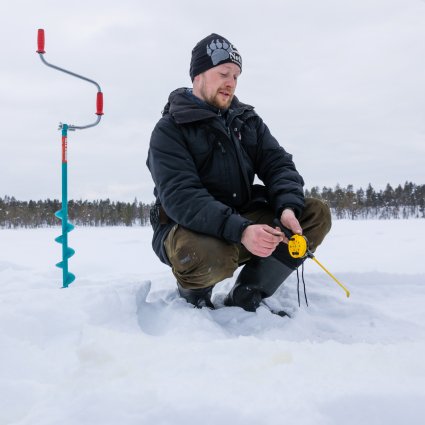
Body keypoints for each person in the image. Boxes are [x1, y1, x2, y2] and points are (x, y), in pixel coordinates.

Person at [146, 33, 332, 312]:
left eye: (235, 75)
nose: (230, 82)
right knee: (206, 254)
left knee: (313, 214)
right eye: (223, 73)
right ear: (198, 76)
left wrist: (287, 208)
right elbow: (182, 197)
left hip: (242, 217)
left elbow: (277, 164)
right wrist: (241, 230)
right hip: (188, 229)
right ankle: (194, 293)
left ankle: (250, 290)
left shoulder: (246, 120)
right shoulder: (169, 130)